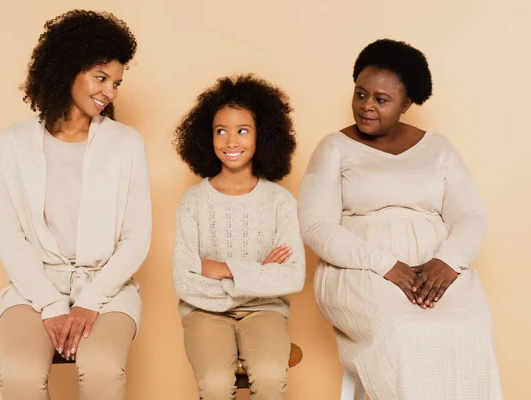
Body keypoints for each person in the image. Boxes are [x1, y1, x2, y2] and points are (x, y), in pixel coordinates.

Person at [298, 39, 502, 399]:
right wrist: (386, 265)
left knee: (471, 326)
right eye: (360, 94)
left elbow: (470, 214)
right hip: (359, 269)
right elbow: (316, 226)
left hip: (435, 267)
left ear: (407, 104)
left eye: (381, 99)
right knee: (402, 331)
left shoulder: (439, 148)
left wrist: (447, 262)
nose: (366, 107)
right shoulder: (334, 147)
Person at [0, 10, 151, 400]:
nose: (110, 92)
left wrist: (90, 302)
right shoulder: (12, 144)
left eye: (116, 82)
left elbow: (136, 238)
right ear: (68, 70)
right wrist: (50, 304)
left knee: (102, 370)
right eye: (101, 78)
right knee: (19, 375)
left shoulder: (126, 144)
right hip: (34, 287)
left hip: (108, 288)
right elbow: (11, 239)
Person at [172, 74, 305, 400]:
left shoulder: (280, 202)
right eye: (221, 131)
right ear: (207, 136)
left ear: (263, 136)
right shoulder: (193, 202)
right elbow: (184, 281)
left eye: (243, 130)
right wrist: (258, 271)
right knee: (216, 384)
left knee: (271, 377)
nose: (231, 141)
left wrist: (223, 268)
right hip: (204, 314)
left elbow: (293, 275)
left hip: (266, 312)